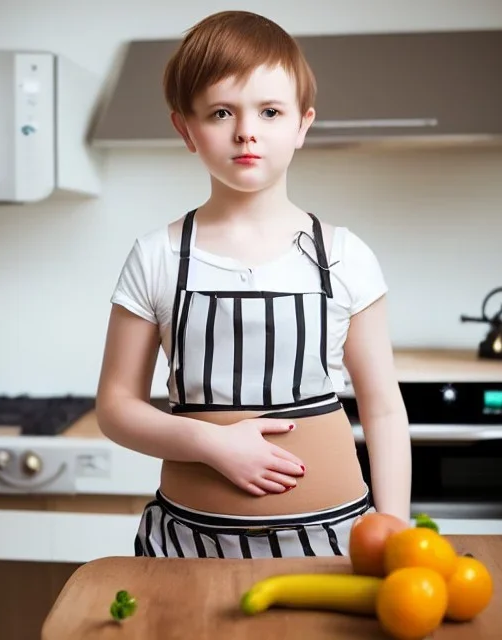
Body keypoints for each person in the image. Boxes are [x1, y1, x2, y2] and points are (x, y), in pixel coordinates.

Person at [96, 10, 411, 559]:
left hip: (336, 547)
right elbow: (116, 407)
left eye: (269, 111)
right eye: (221, 112)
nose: (246, 131)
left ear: (301, 125)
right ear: (186, 129)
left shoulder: (346, 257)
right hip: (186, 549)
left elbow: (383, 409)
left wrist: (395, 528)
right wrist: (212, 443)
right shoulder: (157, 256)